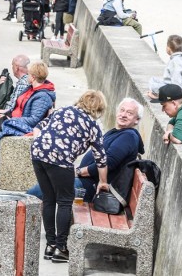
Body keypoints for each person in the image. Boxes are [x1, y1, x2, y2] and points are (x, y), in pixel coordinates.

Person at [30, 90, 109, 263]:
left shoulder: (63, 110)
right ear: (99, 108)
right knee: (65, 201)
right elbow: (101, 159)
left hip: (38, 153)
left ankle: (50, 246)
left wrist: (43, 145)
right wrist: (103, 182)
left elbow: (39, 126)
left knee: (49, 198)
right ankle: (60, 248)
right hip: (60, 159)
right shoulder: (92, 125)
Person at [28, 97, 144, 202]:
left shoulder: (128, 136)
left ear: (137, 120)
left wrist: (78, 172)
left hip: (91, 187)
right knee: (42, 187)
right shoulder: (117, 132)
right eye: (122, 110)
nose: (123, 115)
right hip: (86, 182)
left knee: (33, 195)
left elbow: (108, 162)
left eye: (129, 113)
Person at [148, 35, 182, 100]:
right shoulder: (180, 57)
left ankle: (157, 94)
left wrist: (164, 96)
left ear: (168, 48)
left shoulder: (175, 61)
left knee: (153, 85)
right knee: (153, 79)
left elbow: (176, 84)